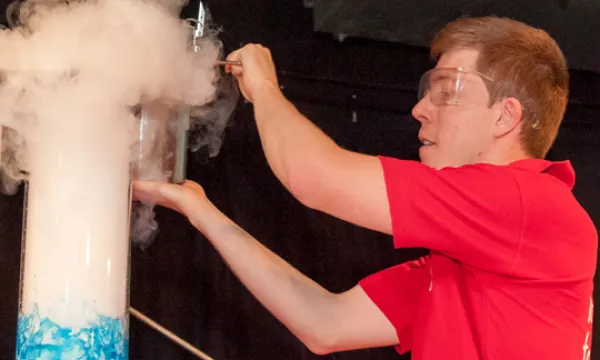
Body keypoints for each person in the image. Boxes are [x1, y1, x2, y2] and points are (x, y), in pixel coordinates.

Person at [134, 16, 598, 359]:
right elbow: (324, 323)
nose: (421, 110)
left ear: (505, 116)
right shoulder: (466, 261)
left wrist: (265, 90)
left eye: (446, 91)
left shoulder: (526, 202)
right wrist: (199, 209)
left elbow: (314, 177)